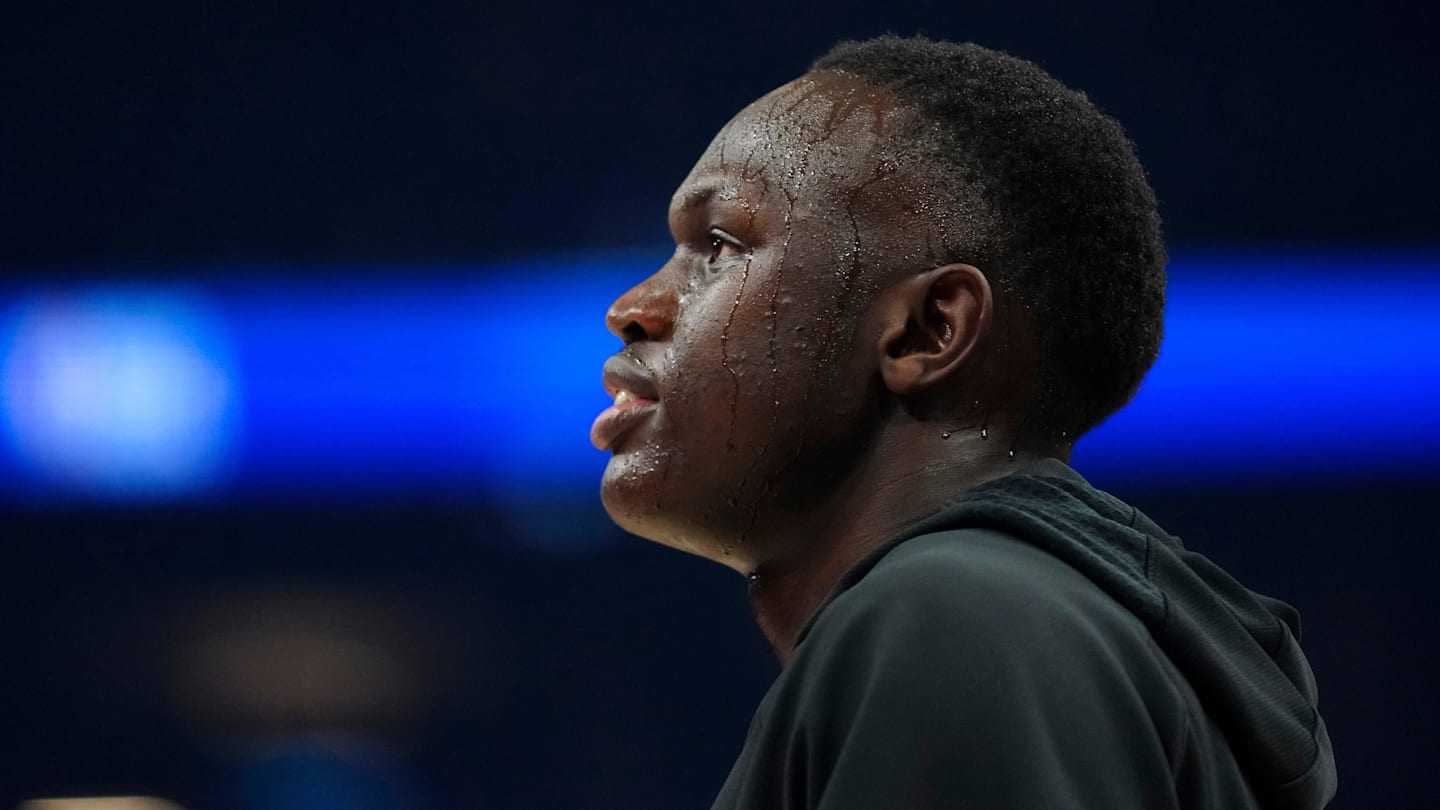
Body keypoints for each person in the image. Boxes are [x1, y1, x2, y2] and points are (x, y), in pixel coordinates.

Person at [589, 35, 1336, 809]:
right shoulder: (1024, 622)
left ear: (927, 332)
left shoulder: (952, 617)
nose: (632, 309)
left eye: (717, 245)